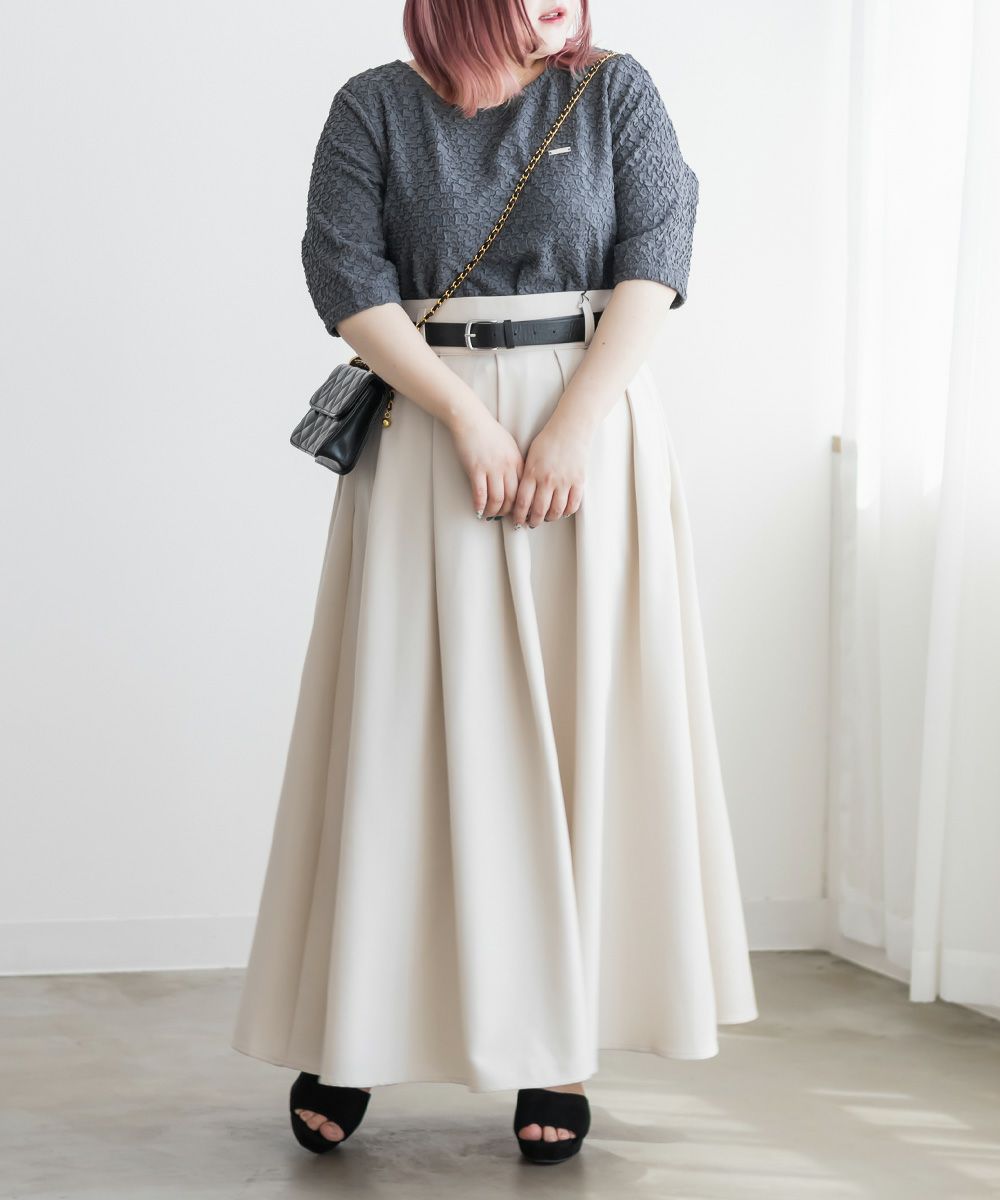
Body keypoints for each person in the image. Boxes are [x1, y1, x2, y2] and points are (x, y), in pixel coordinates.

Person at [230, 0, 758, 1166]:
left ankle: (554, 1049)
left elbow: (655, 259)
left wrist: (572, 427)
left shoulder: (613, 89)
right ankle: (356, 1027)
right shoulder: (375, 105)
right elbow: (345, 274)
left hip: (592, 431)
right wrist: (464, 417)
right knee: (402, 738)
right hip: (431, 434)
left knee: (581, 734)